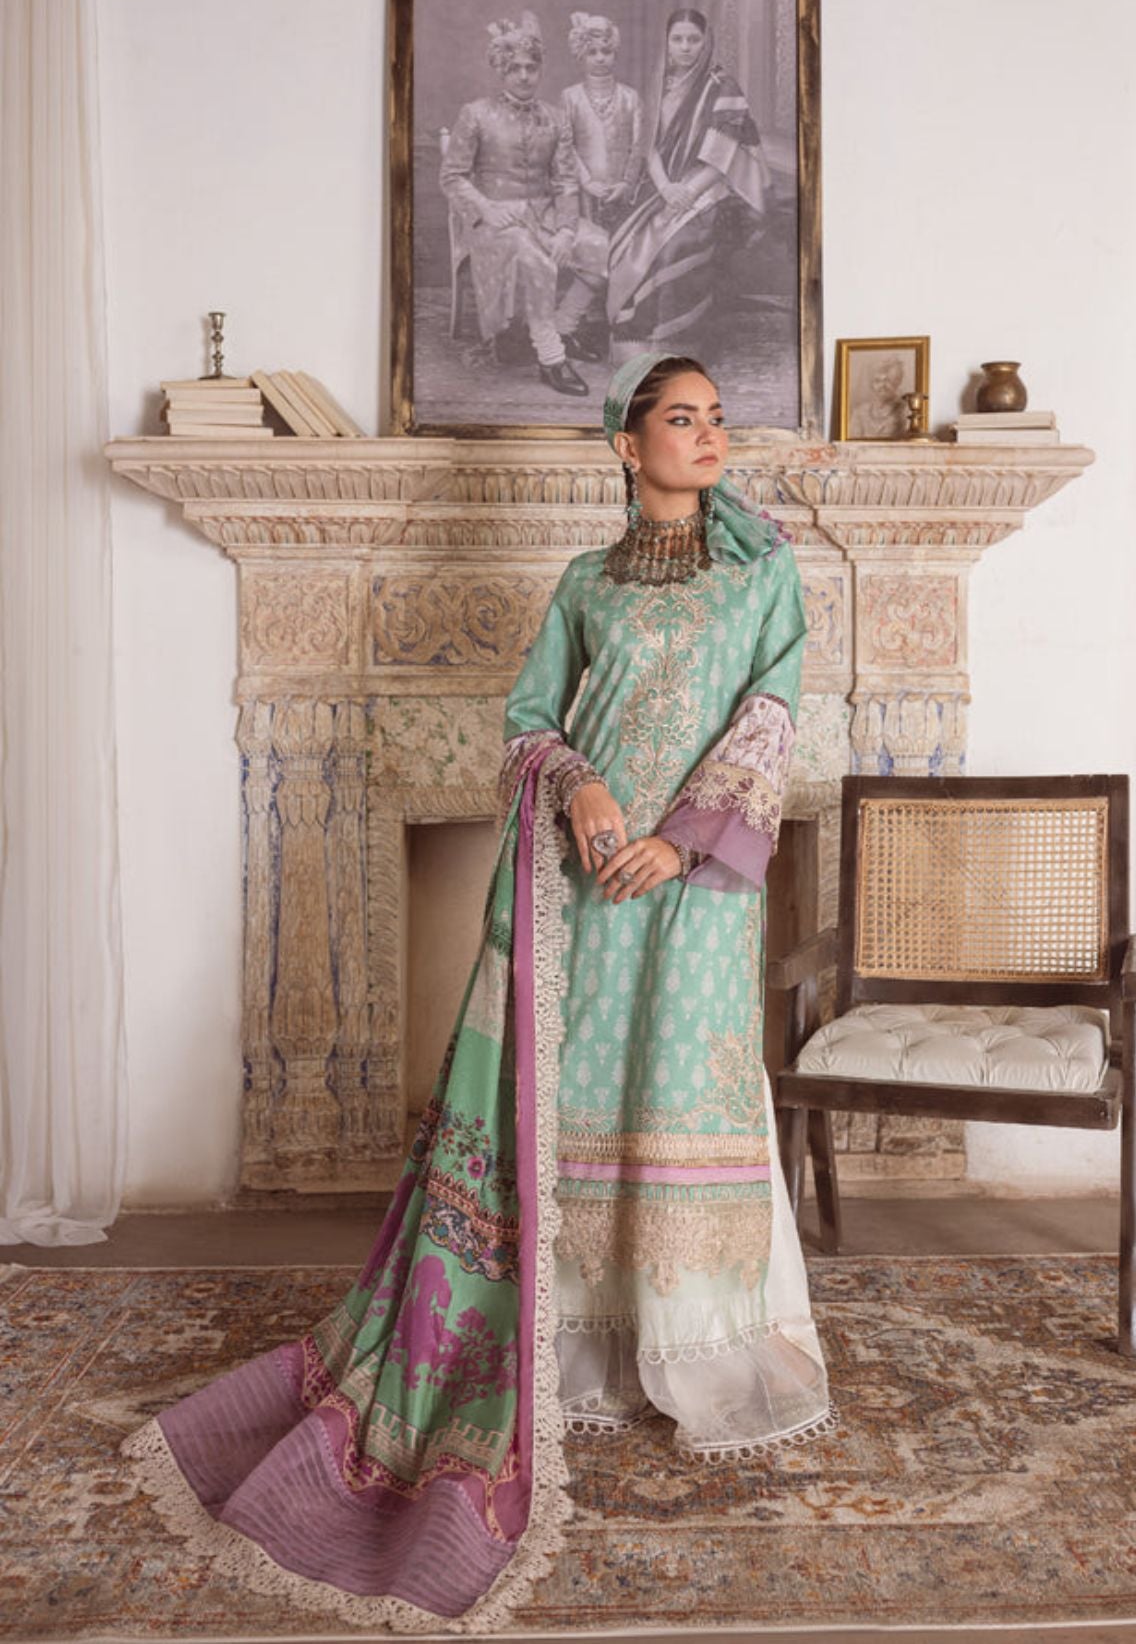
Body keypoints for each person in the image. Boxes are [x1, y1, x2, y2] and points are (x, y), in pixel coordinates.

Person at [118, 353, 837, 1635]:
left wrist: (680, 839)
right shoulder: (585, 584)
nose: (708, 435)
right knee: (579, 1094)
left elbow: (771, 715)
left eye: (717, 418)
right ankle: (576, 1344)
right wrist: (584, 785)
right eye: (681, 418)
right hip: (583, 879)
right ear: (627, 446)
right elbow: (526, 722)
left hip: (694, 884)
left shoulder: (761, 573)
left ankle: (688, 1343)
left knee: (681, 1086)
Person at [439, 10, 608, 395]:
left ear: (540, 70)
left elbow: (566, 180)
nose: (524, 75)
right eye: (514, 68)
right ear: (502, 69)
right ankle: (551, 357)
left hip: (545, 215)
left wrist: (566, 230)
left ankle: (563, 328)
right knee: (534, 258)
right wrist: (485, 207)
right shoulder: (476, 114)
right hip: (494, 221)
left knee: (601, 246)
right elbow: (451, 177)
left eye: (531, 67)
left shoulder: (555, 118)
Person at [606, 11, 770, 361]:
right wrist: (666, 188)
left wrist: (688, 194)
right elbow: (648, 145)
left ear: (706, 42)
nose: (685, 47)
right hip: (662, 185)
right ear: (666, 42)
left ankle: (675, 348)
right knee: (627, 241)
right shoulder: (659, 84)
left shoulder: (722, 87)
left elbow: (722, 158)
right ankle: (635, 343)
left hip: (711, 186)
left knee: (675, 244)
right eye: (677, 39)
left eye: (693, 40)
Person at [557, 11, 643, 357]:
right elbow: (566, 145)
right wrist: (587, 182)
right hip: (585, 194)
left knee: (622, 257)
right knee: (594, 259)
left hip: (622, 195)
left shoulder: (630, 97)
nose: (600, 58)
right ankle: (570, 325)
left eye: (606, 51)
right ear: (581, 55)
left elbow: (638, 146)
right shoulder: (570, 97)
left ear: (614, 53)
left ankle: (608, 326)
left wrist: (626, 183)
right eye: (592, 52)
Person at [849, 353, 909, 437]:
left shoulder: (905, 412)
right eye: (877, 381)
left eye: (888, 381)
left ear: (897, 382)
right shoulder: (859, 413)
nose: (882, 386)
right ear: (871, 384)